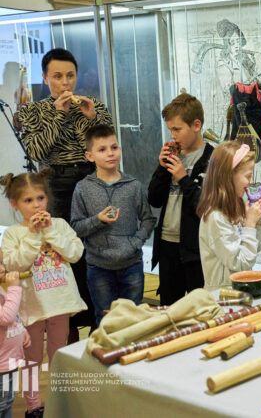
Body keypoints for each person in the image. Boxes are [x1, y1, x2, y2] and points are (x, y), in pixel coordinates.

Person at [18, 48, 113, 338]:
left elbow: (107, 145)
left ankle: (101, 319)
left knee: (97, 247)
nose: (65, 83)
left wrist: (92, 118)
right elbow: (35, 151)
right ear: (46, 78)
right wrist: (58, 115)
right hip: (55, 183)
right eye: (57, 76)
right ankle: (67, 326)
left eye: (70, 75)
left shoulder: (93, 104)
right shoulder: (34, 110)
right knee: (60, 252)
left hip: (91, 179)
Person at [1, 170, 87, 417]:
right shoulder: (13, 234)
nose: (36, 205)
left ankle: (60, 401)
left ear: (47, 199)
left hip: (60, 303)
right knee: (31, 361)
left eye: (40, 198)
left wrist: (49, 231)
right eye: (28, 201)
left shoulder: (59, 224)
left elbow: (75, 253)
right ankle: (32, 407)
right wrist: (33, 236)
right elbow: (16, 264)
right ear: (15, 204)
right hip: (32, 308)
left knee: (59, 356)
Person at [70, 125, 156, 324]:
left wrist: (136, 242)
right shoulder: (83, 188)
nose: (110, 153)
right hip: (98, 267)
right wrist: (97, 220)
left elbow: (148, 219)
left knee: (133, 319)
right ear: (90, 156)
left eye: (114, 147)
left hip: (132, 265)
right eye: (102, 149)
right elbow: (75, 227)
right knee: (105, 319)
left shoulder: (133, 185)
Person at [148, 94, 214, 305]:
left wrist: (183, 178)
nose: (172, 135)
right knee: (169, 311)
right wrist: (162, 167)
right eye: (170, 130)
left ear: (196, 125)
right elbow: (154, 199)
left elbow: (206, 207)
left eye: (177, 129)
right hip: (167, 244)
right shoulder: (172, 155)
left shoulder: (213, 159)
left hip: (197, 248)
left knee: (200, 309)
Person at [197, 142, 261, 290]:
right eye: (248, 176)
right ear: (228, 178)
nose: (251, 182)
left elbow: (254, 249)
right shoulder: (215, 217)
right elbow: (241, 262)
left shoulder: (233, 209)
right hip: (221, 297)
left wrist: (257, 222)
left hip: (235, 292)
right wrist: (249, 224)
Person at [0, 249, 31, 418]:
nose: (2, 269)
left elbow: (13, 316)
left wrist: (22, 329)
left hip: (8, 362)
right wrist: (14, 289)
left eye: (2, 263)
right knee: (2, 404)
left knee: (7, 403)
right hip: (1, 366)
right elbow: (5, 317)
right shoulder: (8, 289)